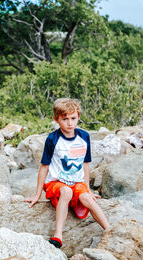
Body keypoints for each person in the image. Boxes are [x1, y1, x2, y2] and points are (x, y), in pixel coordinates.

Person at [24, 98, 110, 249]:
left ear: (78, 117)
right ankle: (58, 235)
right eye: (65, 119)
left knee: (87, 198)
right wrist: (37, 194)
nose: (70, 123)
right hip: (56, 183)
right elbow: (44, 167)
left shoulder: (84, 137)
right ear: (56, 119)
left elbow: (85, 164)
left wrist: (88, 188)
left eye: (73, 118)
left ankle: (110, 230)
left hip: (77, 182)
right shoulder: (53, 139)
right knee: (66, 191)